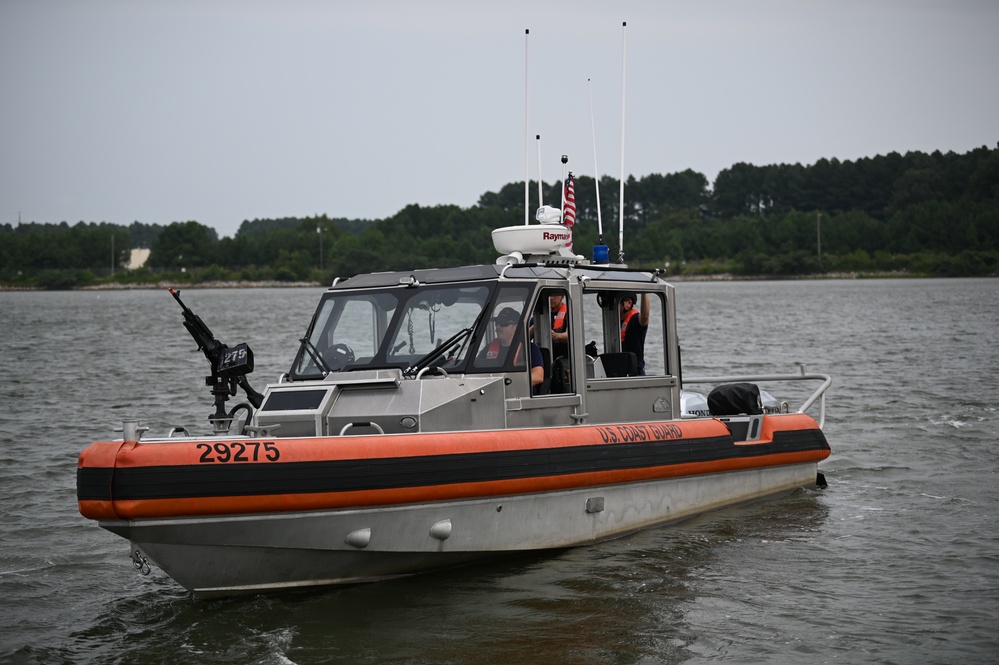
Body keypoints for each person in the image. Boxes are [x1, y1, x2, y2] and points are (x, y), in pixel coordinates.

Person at [478, 307, 544, 388]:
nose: (497, 327)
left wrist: (508, 383)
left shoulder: (530, 349)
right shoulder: (487, 349)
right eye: (496, 323)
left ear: (515, 327)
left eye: (503, 323)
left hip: (520, 395)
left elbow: (538, 376)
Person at [619, 293, 650, 375]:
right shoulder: (613, 320)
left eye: (617, 302)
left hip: (636, 374)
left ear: (628, 303)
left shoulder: (635, 320)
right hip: (619, 372)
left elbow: (645, 317)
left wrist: (644, 292)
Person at [549, 293, 569, 361]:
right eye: (550, 295)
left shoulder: (569, 313)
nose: (552, 298)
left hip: (563, 358)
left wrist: (556, 336)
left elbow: (570, 336)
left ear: (562, 296)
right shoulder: (539, 315)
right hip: (545, 356)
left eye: (555, 295)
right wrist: (536, 326)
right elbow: (526, 336)